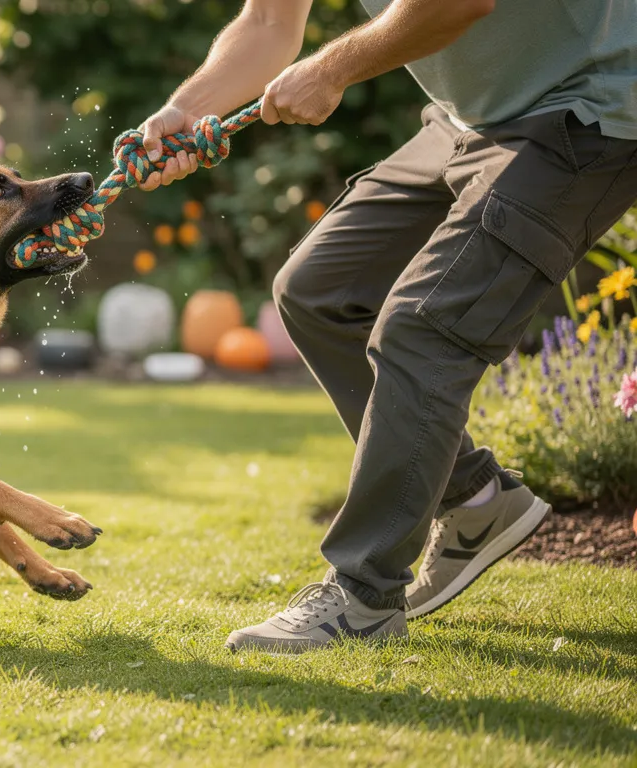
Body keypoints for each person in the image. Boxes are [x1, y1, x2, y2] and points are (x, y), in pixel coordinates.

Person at [137, 0, 637, 653]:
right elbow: (267, 24)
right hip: (473, 118)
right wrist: (188, 108)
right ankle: (476, 498)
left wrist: (332, 69)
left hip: (588, 111)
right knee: (319, 290)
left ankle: (363, 595)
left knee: (425, 326)